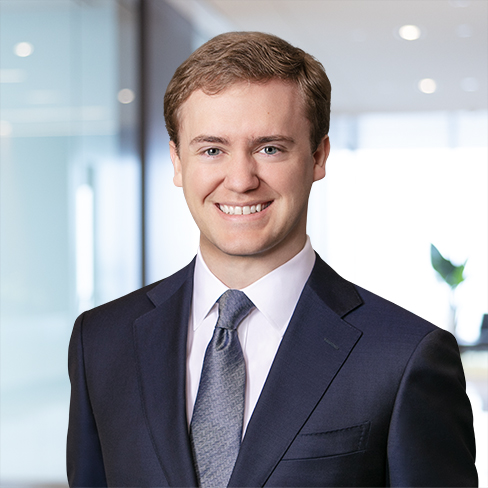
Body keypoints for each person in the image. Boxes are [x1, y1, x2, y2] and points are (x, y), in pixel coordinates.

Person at [67, 31, 477, 487]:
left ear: (318, 156)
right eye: (212, 150)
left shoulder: (404, 356)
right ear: (177, 162)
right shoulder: (101, 342)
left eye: (270, 148)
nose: (240, 180)